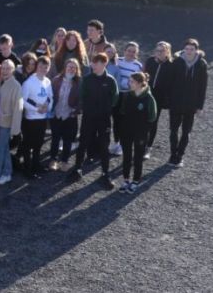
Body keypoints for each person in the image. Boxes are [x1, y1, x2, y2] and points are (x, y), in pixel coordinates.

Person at [68, 53, 119, 189]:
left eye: (96, 63)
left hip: (104, 119)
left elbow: (115, 97)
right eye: (92, 63)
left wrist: (106, 108)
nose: (93, 65)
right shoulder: (87, 79)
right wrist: (87, 109)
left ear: (104, 64)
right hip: (88, 118)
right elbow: (82, 97)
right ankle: (77, 169)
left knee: (104, 145)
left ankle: (105, 174)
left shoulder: (110, 80)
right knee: (83, 142)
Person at [168, 38, 208, 167]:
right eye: (187, 49)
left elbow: (203, 87)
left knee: (186, 132)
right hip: (176, 103)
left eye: (192, 49)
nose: (189, 51)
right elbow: (171, 82)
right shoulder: (177, 62)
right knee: (173, 130)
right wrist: (169, 100)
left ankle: (180, 155)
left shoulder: (202, 64)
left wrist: (199, 106)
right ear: (184, 49)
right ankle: (173, 154)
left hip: (191, 105)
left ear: (196, 50)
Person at [119, 73, 157, 193]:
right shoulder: (127, 96)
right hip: (127, 131)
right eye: (129, 81)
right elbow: (122, 111)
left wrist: (143, 127)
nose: (129, 84)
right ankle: (125, 179)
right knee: (127, 156)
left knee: (138, 157)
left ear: (140, 83)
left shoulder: (149, 98)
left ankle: (135, 181)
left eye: (132, 82)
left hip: (141, 132)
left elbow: (152, 117)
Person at [20, 55, 53, 179]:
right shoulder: (28, 82)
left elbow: (50, 97)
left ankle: (36, 165)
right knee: (28, 145)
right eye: (40, 66)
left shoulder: (47, 81)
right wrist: (36, 109)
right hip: (30, 119)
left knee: (38, 144)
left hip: (42, 118)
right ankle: (27, 169)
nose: (43, 69)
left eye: (46, 67)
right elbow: (23, 100)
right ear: (36, 67)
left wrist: (47, 106)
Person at [0, 59, 23, 185]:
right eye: (2, 68)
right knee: (3, 149)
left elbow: (18, 107)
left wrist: (15, 129)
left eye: (7, 68)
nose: (4, 71)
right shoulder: (0, 83)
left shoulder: (16, 86)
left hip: (6, 123)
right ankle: (6, 172)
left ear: (13, 70)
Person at [48, 59, 82, 171]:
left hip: (70, 116)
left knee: (68, 140)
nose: (71, 69)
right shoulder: (56, 80)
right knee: (55, 138)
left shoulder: (79, 82)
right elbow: (50, 95)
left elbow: (82, 100)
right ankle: (53, 159)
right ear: (65, 68)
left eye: (74, 67)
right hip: (56, 114)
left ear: (77, 70)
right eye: (69, 67)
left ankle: (64, 161)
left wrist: (75, 111)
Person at [111, 42, 144, 156]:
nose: (131, 53)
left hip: (129, 96)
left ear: (136, 53)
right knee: (116, 119)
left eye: (133, 51)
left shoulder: (138, 66)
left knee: (125, 120)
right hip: (116, 94)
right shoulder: (117, 61)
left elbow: (140, 82)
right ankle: (116, 141)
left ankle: (121, 145)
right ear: (124, 51)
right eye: (129, 50)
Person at [144, 41, 174, 159]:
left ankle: (148, 147)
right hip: (147, 94)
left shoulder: (172, 64)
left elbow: (172, 83)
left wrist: (168, 99)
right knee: (142, 120)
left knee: (153, 122)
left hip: (159, 98)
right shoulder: (151, 61)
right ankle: (140, 144)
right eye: (157, 50)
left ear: (167, 51)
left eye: (162, 51)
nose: (159, 53)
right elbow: (144, 76)